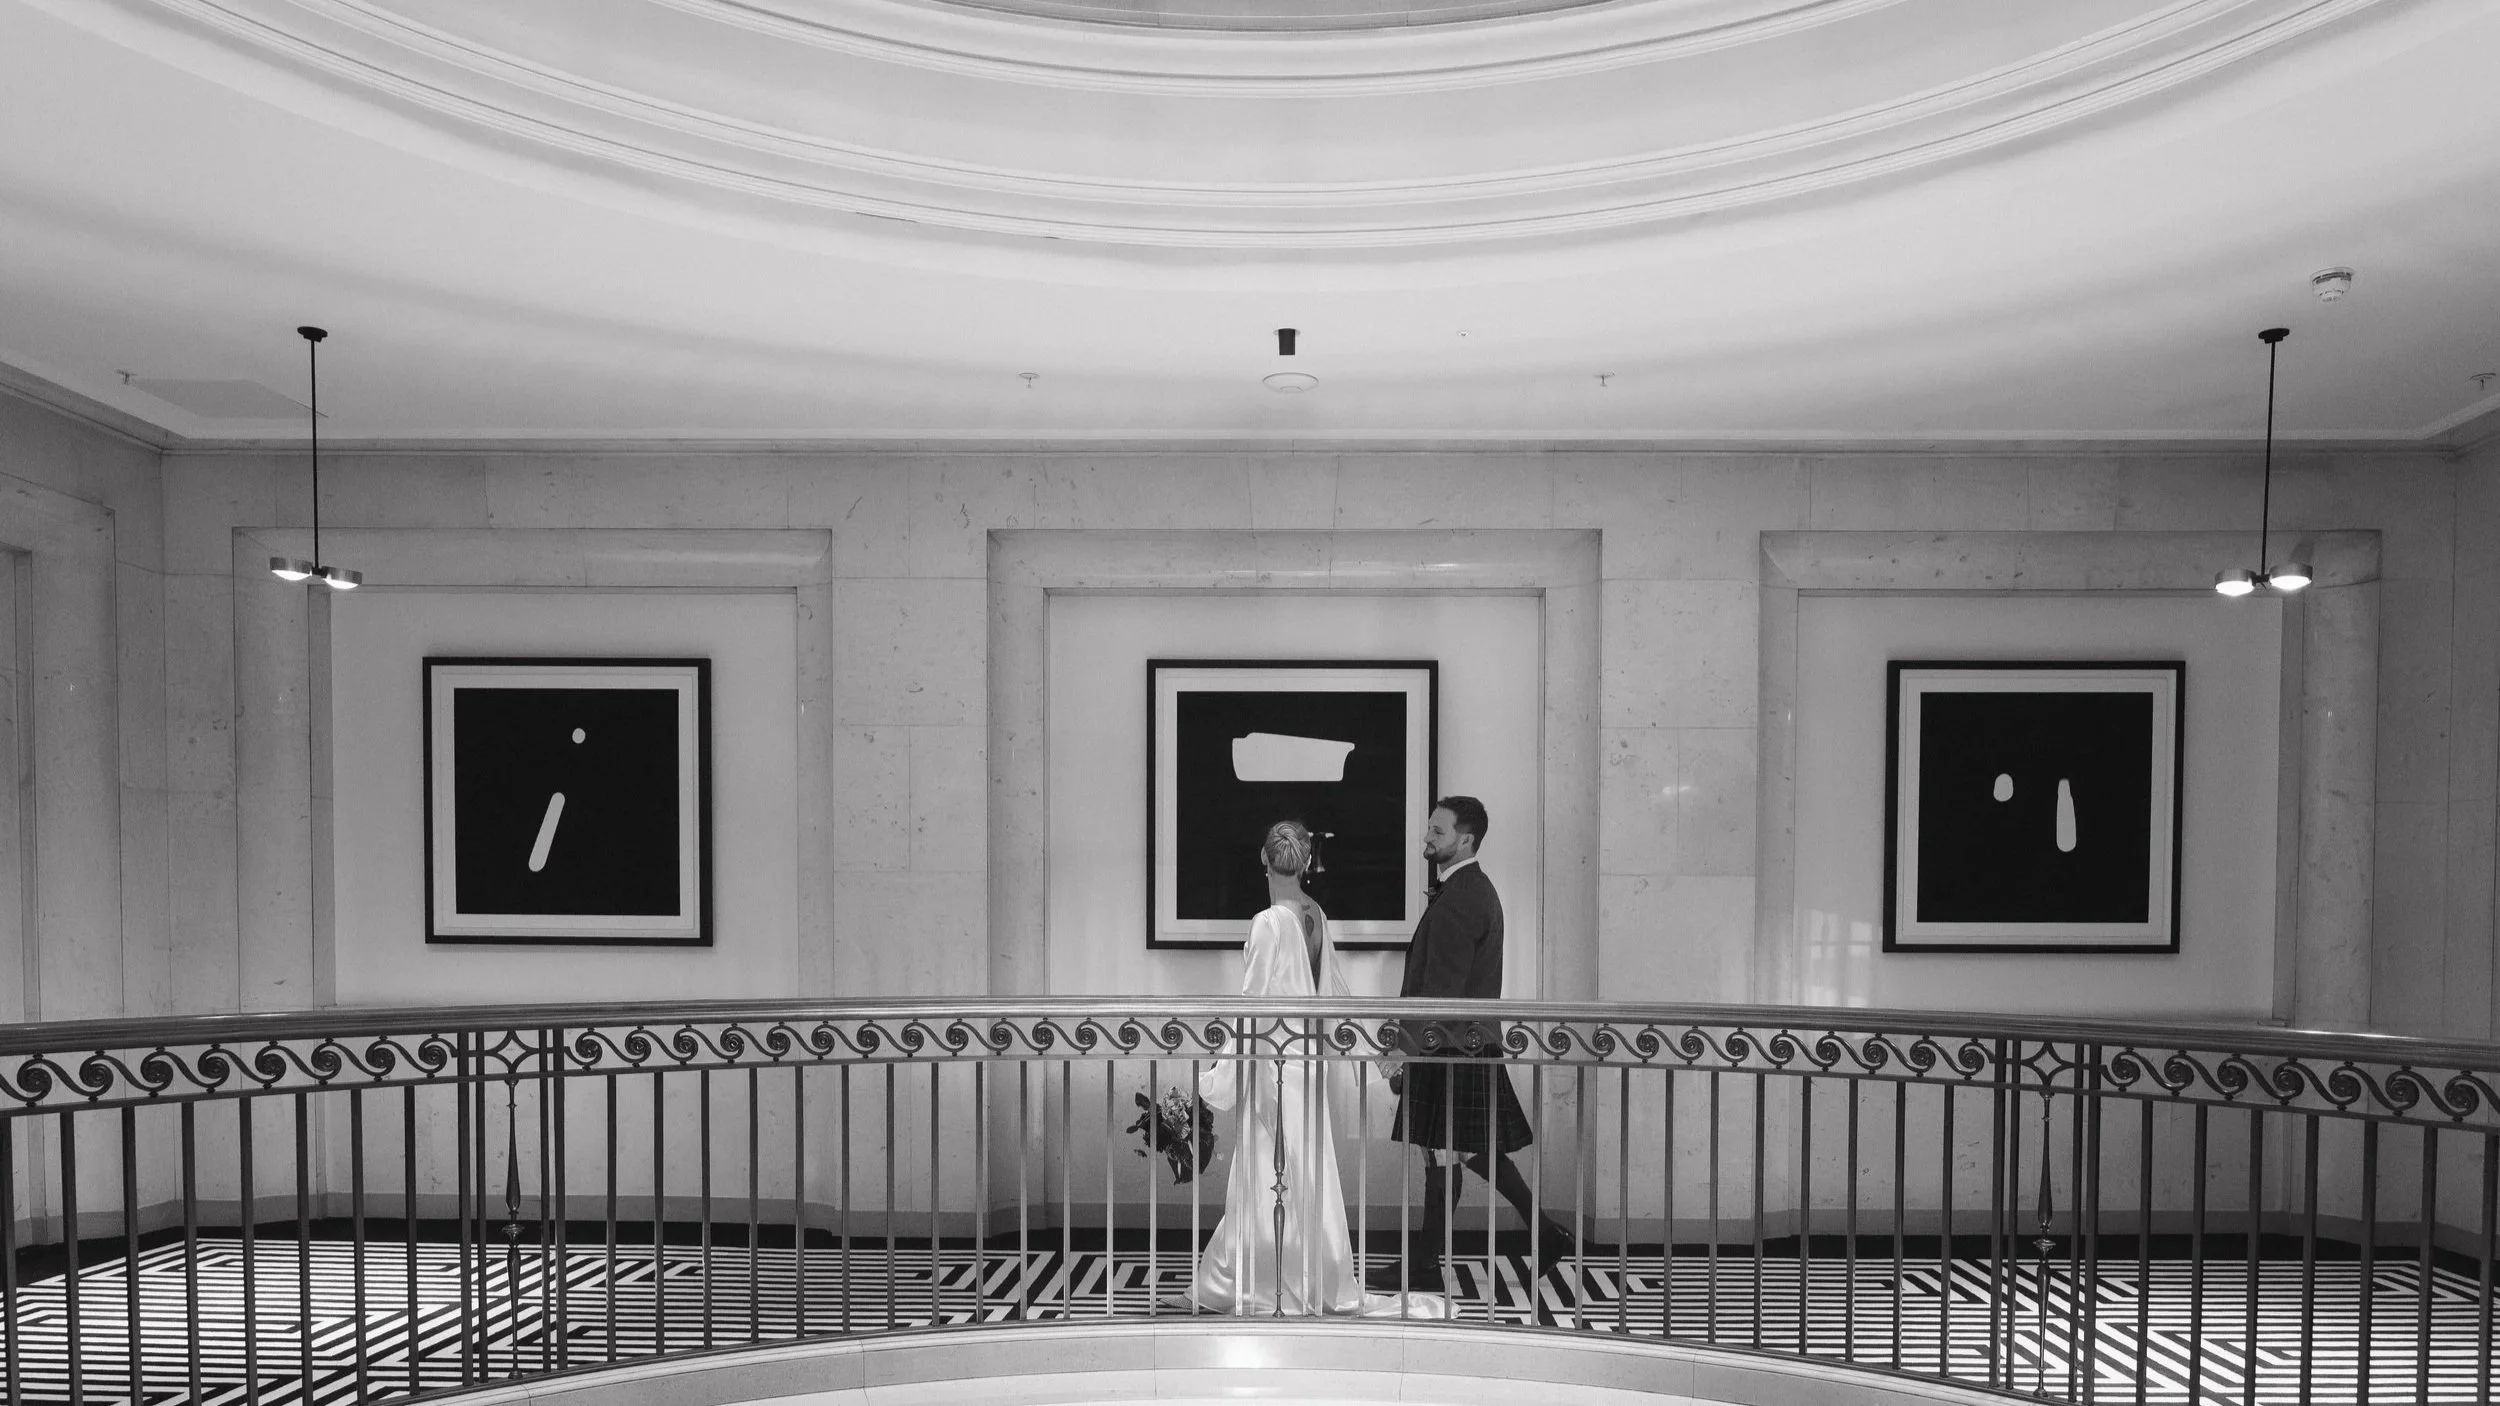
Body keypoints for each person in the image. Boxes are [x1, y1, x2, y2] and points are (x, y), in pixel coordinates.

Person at [1186, 820, 1449, 1318]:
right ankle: (1310, 1273)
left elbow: (1252, 1002)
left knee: (1267, 1167)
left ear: (1263, 861)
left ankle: (1262, 1279)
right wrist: (1370, 1049)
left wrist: (1220, 1074)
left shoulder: (1268, 922)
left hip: (1272, 1064)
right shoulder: (1316, 915)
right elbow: (1334, 994)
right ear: (1306, 863)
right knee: (1305, 1166)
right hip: (1307, 1062)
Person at [1366, 795, 1577, 1294]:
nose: (1426, 840)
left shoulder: (1463, 895)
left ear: (1466, 839)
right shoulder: (1467, 889)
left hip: (1449, 1045)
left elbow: (1441, 989)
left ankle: (1429, 1263)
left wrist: (1402, 1050)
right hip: (1459, 1044)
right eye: (1429, 830)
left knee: (1447, 1153)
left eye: (1437, 832)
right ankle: (1539, 1233)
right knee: (1459, 1151)